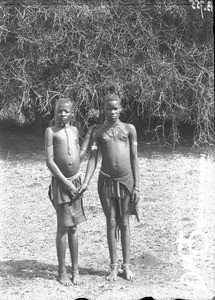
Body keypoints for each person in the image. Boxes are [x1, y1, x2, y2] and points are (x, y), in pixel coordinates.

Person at [78, 93, 140, 282]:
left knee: (125, 223)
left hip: (127, 181)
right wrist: (86, 182)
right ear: (102, 110)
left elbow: (134, 158)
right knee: (111, 222)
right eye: (108, 108)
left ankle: (126, 266)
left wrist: (137, 186)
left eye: (115, 108)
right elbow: (93, 159)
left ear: (121, 108)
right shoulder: (98, 132)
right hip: (105, 181)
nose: (112, 112)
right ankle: (113, 267)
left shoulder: (129, 129)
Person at [45, 97, 94, 286]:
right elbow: (50, 161)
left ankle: (75, 269)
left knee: (74, 227)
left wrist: (89, 135)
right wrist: (66, 183)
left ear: (72, 113)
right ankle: (61, 271)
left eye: (66, 111)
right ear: (54, 112)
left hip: (76, 183)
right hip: (62, 185)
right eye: (59, 111)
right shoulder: (51, 132)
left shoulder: (74, 130)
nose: (62, 114)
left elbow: (79, 156)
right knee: (62, 228)